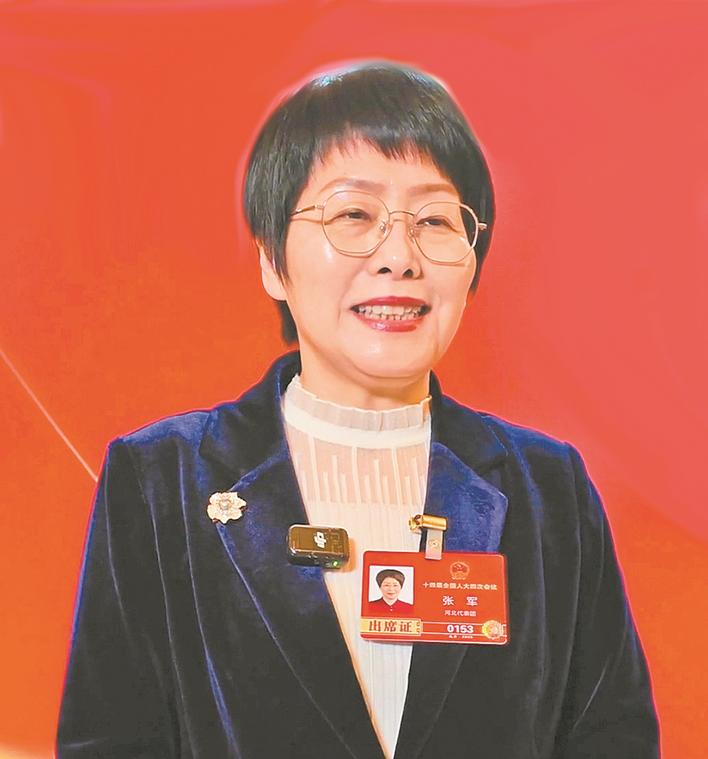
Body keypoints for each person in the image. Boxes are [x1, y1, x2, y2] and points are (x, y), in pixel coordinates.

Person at [56, 60, 659, 758]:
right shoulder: (161, 479)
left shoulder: (548, 488)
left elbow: (611, 738)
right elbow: (111, 742)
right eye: (353, 214)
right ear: (273, 261)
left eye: (435, 219)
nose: (398, 256)